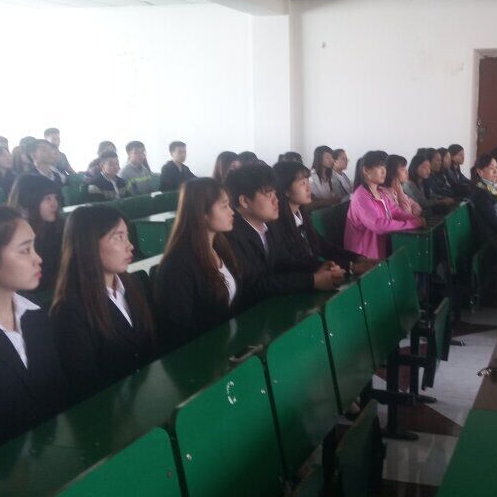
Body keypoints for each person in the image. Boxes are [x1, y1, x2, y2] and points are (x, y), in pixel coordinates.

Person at [0, 205, 68, 464]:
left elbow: (59, 395)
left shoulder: (35, 315)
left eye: (34, 247)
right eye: (25, 250)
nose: (38, 258)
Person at [51, 206, 156, 404]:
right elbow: (86, 385)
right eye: (118, 237)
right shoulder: (70, 310)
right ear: (89, 246)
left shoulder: (133, 284)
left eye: (127, 236)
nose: (130, 245)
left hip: (148, 396)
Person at [224, 165, 341, 309]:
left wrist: (320, 267)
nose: (276, 200)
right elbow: (255, 284)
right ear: (244, 201)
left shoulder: (270, 226)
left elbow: (286, 261)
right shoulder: (231, 236)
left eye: (275, 193)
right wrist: (312, 281)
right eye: (268, 195)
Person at [154, 178, 241, 351]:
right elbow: (179, 330)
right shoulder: (177, 266)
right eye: (224, 206)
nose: (232, 212)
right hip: (206, 353)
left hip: (226, 343)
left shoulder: (221, 247)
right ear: (202, 213)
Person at [274, 161, 375, 276]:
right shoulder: (279, 225)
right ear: (286, 190)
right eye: (302, 183)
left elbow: (323, 246)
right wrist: (352, 267)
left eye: (308, 181)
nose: (309, 188)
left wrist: (358, 258)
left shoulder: (302, 216)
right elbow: (300, 262)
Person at [344, 151, 423, 260]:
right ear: (366, 170)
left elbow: (396, 212)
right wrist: (412, 224)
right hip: (364, 256)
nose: (384, 171)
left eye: (384, 166)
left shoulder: (381, 192)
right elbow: (378, 225)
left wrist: (414, 219)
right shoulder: (361, 197)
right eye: (379, 167)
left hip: (381, 248)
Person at [8, 174, 64, 293]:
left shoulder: (58, 227)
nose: (54, 204)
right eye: (47, 198)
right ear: (29, 201)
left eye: (55, 198)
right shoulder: (14, 234)